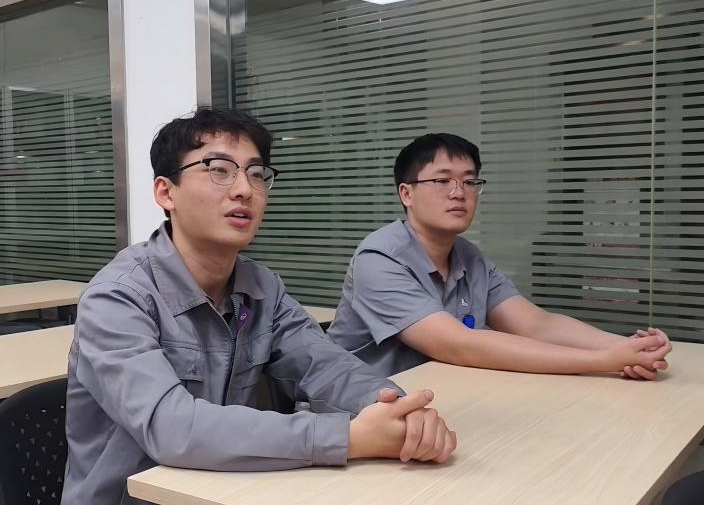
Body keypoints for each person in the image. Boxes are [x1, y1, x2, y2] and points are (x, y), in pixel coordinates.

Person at [62, 109, 456, 505]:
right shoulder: (117, 297)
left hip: (225, 490)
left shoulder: (263, 288)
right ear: (166, 192)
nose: (244, 190)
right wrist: (347, 438)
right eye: (219, 170)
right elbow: (171, 428)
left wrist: (397, 409)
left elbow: (327, 365)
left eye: (255, 174)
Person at [327, 133, 672, 378]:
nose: (459, 193)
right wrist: (604, 361)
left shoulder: (468, 256)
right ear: (407, 194)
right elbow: (458, 345)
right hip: (361, 413)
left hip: (443, 397)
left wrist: (628, 348)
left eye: (469, 182)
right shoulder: (379, 258)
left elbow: (536, 325)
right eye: (442, 181)